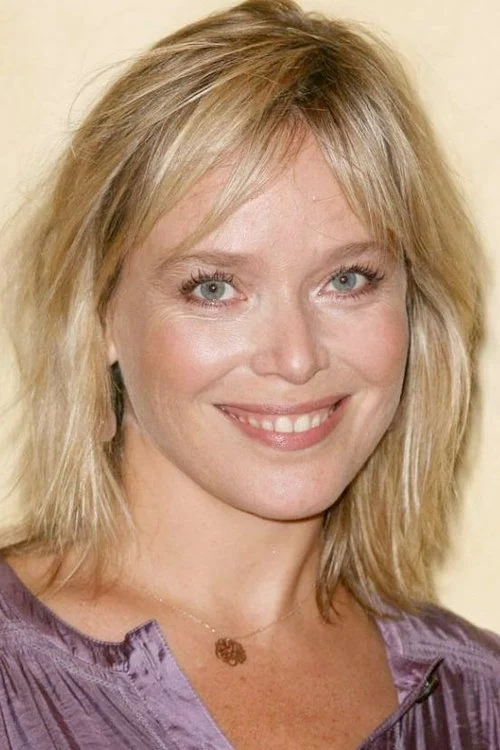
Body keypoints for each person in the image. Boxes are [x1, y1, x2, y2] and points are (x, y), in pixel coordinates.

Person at [0, 0, 498, 747]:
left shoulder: (479, 700)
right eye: (214, 287)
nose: (296, 358)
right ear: (101, 314)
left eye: (348, 280)